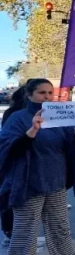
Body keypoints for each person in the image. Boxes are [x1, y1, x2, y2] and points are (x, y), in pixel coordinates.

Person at [0, 79, 75, 255]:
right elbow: (7, 150)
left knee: (60, 229)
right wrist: (32, 131)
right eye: (42, 93)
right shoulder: (17, 118)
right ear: (29, 94)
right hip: (28, 185)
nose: (47, 97)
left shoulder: (58, 117)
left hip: (56, 183)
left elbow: (74, 149)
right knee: (25, 235)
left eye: (50, 93)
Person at [0, 84, 27, 244]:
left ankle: (11, 231)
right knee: (11, 195)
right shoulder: (15, 115)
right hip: (13, 160)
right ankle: (10, 231)